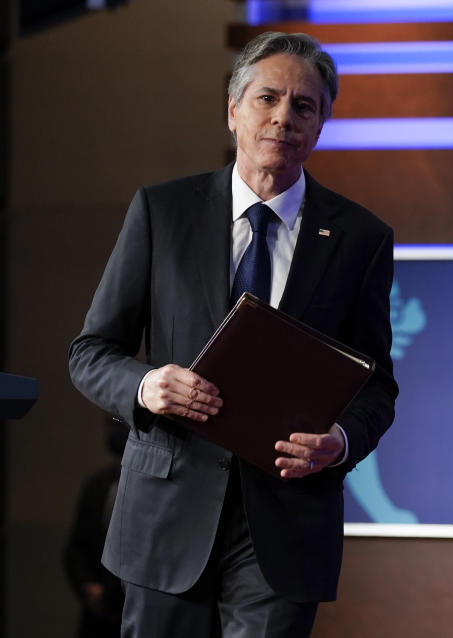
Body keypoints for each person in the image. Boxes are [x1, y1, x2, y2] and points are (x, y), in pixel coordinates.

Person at [68, 31, 398, 638]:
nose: (283, 117)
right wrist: (147, 386)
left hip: (286, 519)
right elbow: (90, 353)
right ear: (232, 109)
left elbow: (377, 388)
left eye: (304, 106)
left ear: (321, 124)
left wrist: (341, 441)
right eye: (267, 98)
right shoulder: (162, 213)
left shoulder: (360, 238)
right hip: (167, 512)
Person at [62, 416, 127, 638]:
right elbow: (76, 547)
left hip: (138, 610)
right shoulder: (97, 484)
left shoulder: (161, 489)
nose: (114, 430)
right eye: (111, 424)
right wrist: (88, 587)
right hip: (97, 617)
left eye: (120, 423)